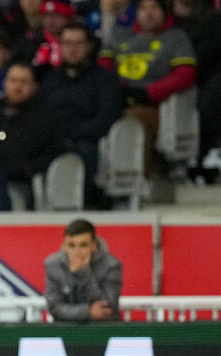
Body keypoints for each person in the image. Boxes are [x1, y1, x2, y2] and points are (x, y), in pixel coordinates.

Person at [98, 0, 196, 173]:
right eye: (143, 8)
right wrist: (113, 91)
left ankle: (135, 179)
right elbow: (103, 69)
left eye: (154, 8)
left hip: (157, 107)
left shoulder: (176, 37)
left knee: (130, 121)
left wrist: (149, 93)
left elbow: (185, 75)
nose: (149, 13)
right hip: (117, 100)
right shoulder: (119, 35)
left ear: (164, 11)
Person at [42, 22, 121, 208]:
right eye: (67, 43)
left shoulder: (104, 80)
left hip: (87, 142)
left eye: (78, 43)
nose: (72, 49)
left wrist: (75, 135)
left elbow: (107, 117)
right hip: (52, 142)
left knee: (82, 156)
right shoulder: (49, 80)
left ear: (88, 47)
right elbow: (41, 117)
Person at [0, 61, 65, 208]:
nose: (17, 87)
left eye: (24, 82)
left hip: (21, 183)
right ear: (5, 83)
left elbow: (55, 151)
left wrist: (29, 169)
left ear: (33, 87)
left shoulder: (45, 118)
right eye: (13, 81)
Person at [44, 218, 122, 321]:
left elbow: (107, 309)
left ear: (94, 245)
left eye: (83, 245)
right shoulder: (52, 264)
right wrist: (88, 312)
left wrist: (84, 273)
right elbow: (54, 308)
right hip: (66, 330)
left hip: (102, 330)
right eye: (72, 245)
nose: (77, 252)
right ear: (64, 246)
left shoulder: (111, 265)